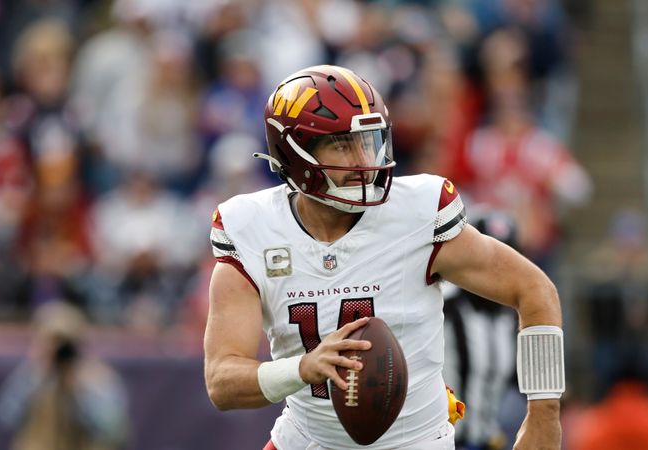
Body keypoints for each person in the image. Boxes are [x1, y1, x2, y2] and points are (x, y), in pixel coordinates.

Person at [203, 65, 563, 450]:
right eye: (342, 144)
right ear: (295, 152)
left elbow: (534, 289)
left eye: (368, 140)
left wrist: (544, 412)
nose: (363, 159)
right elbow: (222, 380)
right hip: (306, 440)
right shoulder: (252, 227)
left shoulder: (416, 213)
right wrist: (302, 369)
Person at [0, 301, 129, 450]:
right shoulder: (33, 375)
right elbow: (4, 418)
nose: (59, 351)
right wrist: (34, 375)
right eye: (52, 342)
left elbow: (113, 431)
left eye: (64, 343)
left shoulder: (97, 378)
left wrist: (81, 391)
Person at [442, 209, 520, 450]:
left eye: (505, 259)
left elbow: (523, 381)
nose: (495, 269)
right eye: (487, 258)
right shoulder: (443, 304)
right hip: (443, 442)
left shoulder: (512, 315)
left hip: (489, 441)